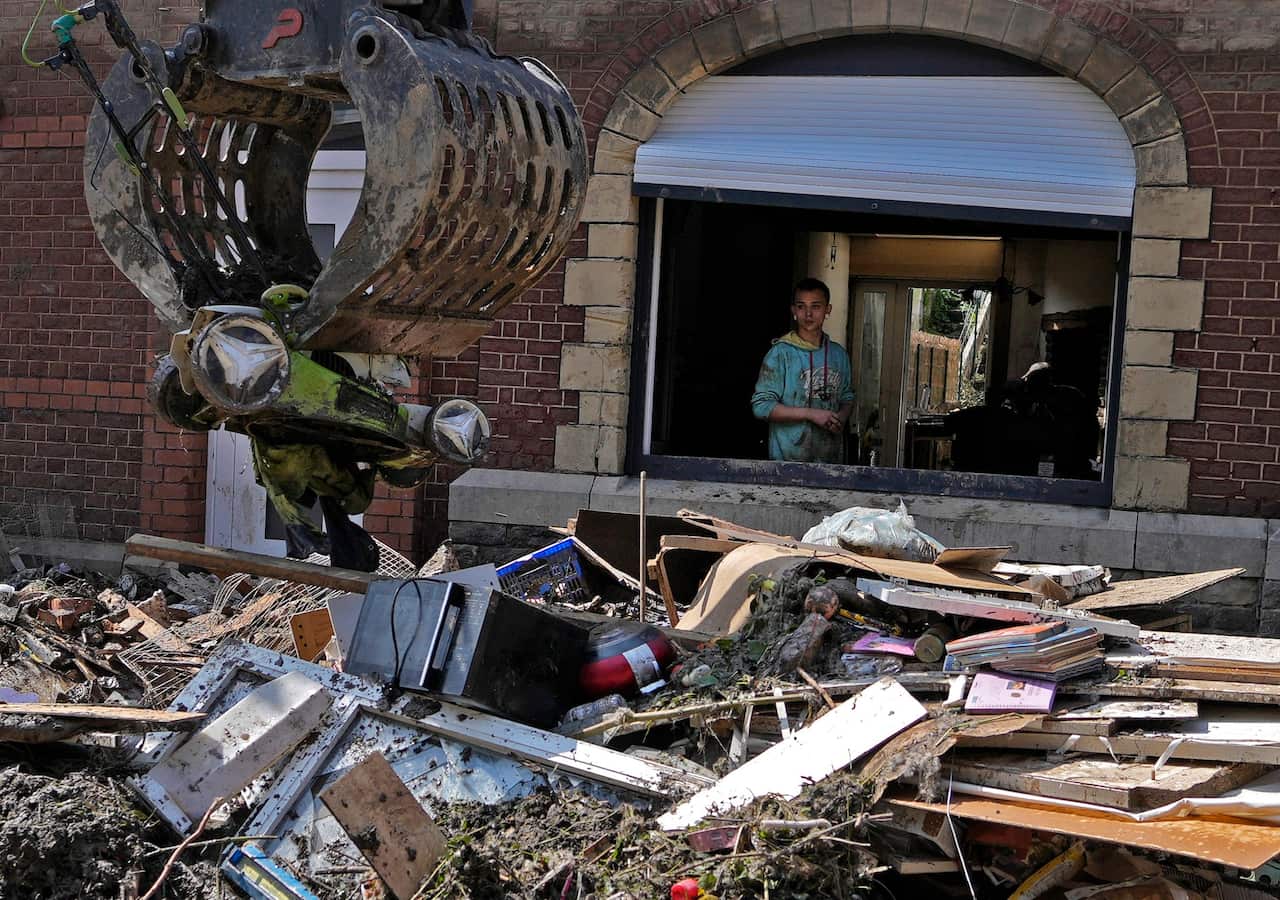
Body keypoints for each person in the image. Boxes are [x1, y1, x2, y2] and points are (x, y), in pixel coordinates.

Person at [751, 278, 855, 463]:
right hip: (786, 462)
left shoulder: (839, 355)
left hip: (830, 461)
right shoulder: (780, 353)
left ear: (827, 310)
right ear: (794, 311)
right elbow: (761, 407)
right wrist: (811, 414)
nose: (808, 314)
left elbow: (847, 397)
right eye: (801, 306)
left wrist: (841, 418)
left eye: (816, 306)